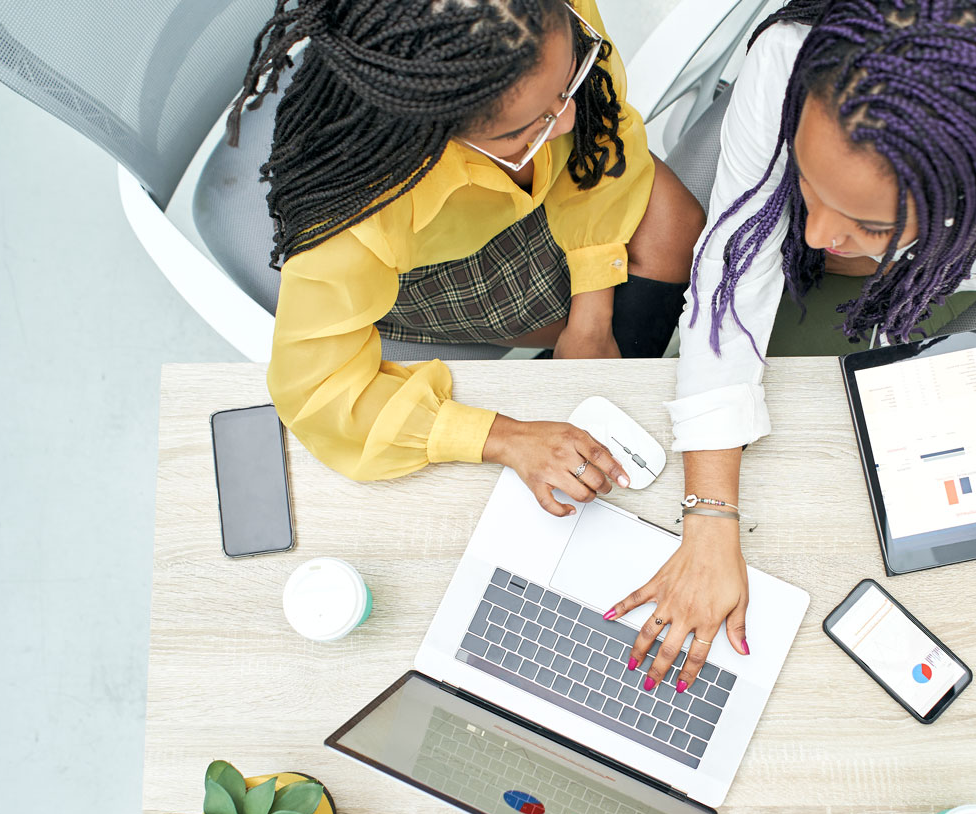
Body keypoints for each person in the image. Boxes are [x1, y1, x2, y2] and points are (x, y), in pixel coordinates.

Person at [604, 0, 976, 692]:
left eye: (866, 220)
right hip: (771, 239)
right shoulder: (793, 57)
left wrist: (931, 270)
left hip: (931, 282)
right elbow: (734, 272)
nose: (815, 232)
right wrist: (709, 517)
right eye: (809, 186)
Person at [227, 0, 704, 512]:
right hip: (434, 264)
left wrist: (593, 311)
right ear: (429, 132)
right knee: (604, 306)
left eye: (567, 81)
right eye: (523, 129)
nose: (566, 120)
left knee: (675, 228)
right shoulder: (356, 218)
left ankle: (577, 406)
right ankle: (555, 434)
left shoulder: (530, 19)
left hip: (548, 194)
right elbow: (319, 394)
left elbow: (597, 125)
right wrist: (502, 437)